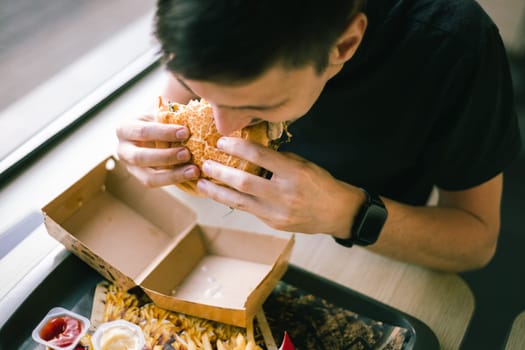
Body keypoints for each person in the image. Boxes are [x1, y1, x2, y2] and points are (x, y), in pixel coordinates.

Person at [116, 0, 522, 272]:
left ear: (344, 45)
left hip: (376, 253)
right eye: (202, 90)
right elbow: (175, 98)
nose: (224, 128)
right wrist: (154, 142)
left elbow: (477, 240)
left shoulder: (455, 44)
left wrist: (346, 213)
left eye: (261, 106)